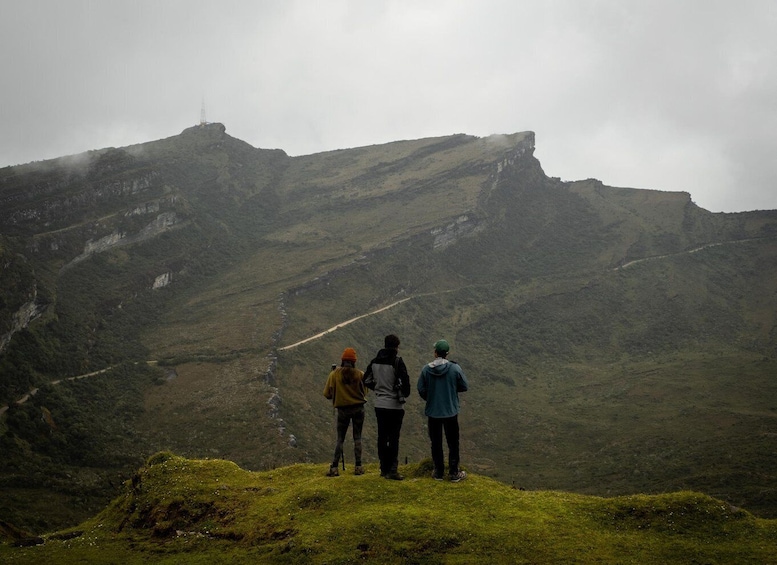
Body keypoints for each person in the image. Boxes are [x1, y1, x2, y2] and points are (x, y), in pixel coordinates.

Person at [417, 339, 469, 482]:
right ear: (447, 353)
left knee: (436, 442)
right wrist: (451, 390)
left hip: (433, 412)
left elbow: (421, 389)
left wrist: (431, 398)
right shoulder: (454, 368)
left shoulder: (426, 369)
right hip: (450, 412)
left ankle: (438, 472)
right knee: (453, 442)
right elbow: (464, 385)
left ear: (435, 353)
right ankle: (453, 473)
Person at [363, 334, 411, 480]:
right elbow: (406, 386)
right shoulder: (397, 362)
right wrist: (399, 391)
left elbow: (366, 379)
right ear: (396, 347)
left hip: (380, 404)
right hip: (395, 406)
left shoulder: (375, 362)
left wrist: (377, 388)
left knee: (382, 437)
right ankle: (393, 470)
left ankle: (383, 468)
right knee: (394, 438)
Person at [323, 347, 367, 476]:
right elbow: (365, 392)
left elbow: (327, 394)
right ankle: (358, 466)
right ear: (354, 361)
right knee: (357, 437)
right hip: (358, 409)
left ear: (342, 361)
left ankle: (334, 467)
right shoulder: (360, 374)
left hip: (343, 411)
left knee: (340, 439)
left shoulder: (334, 374)